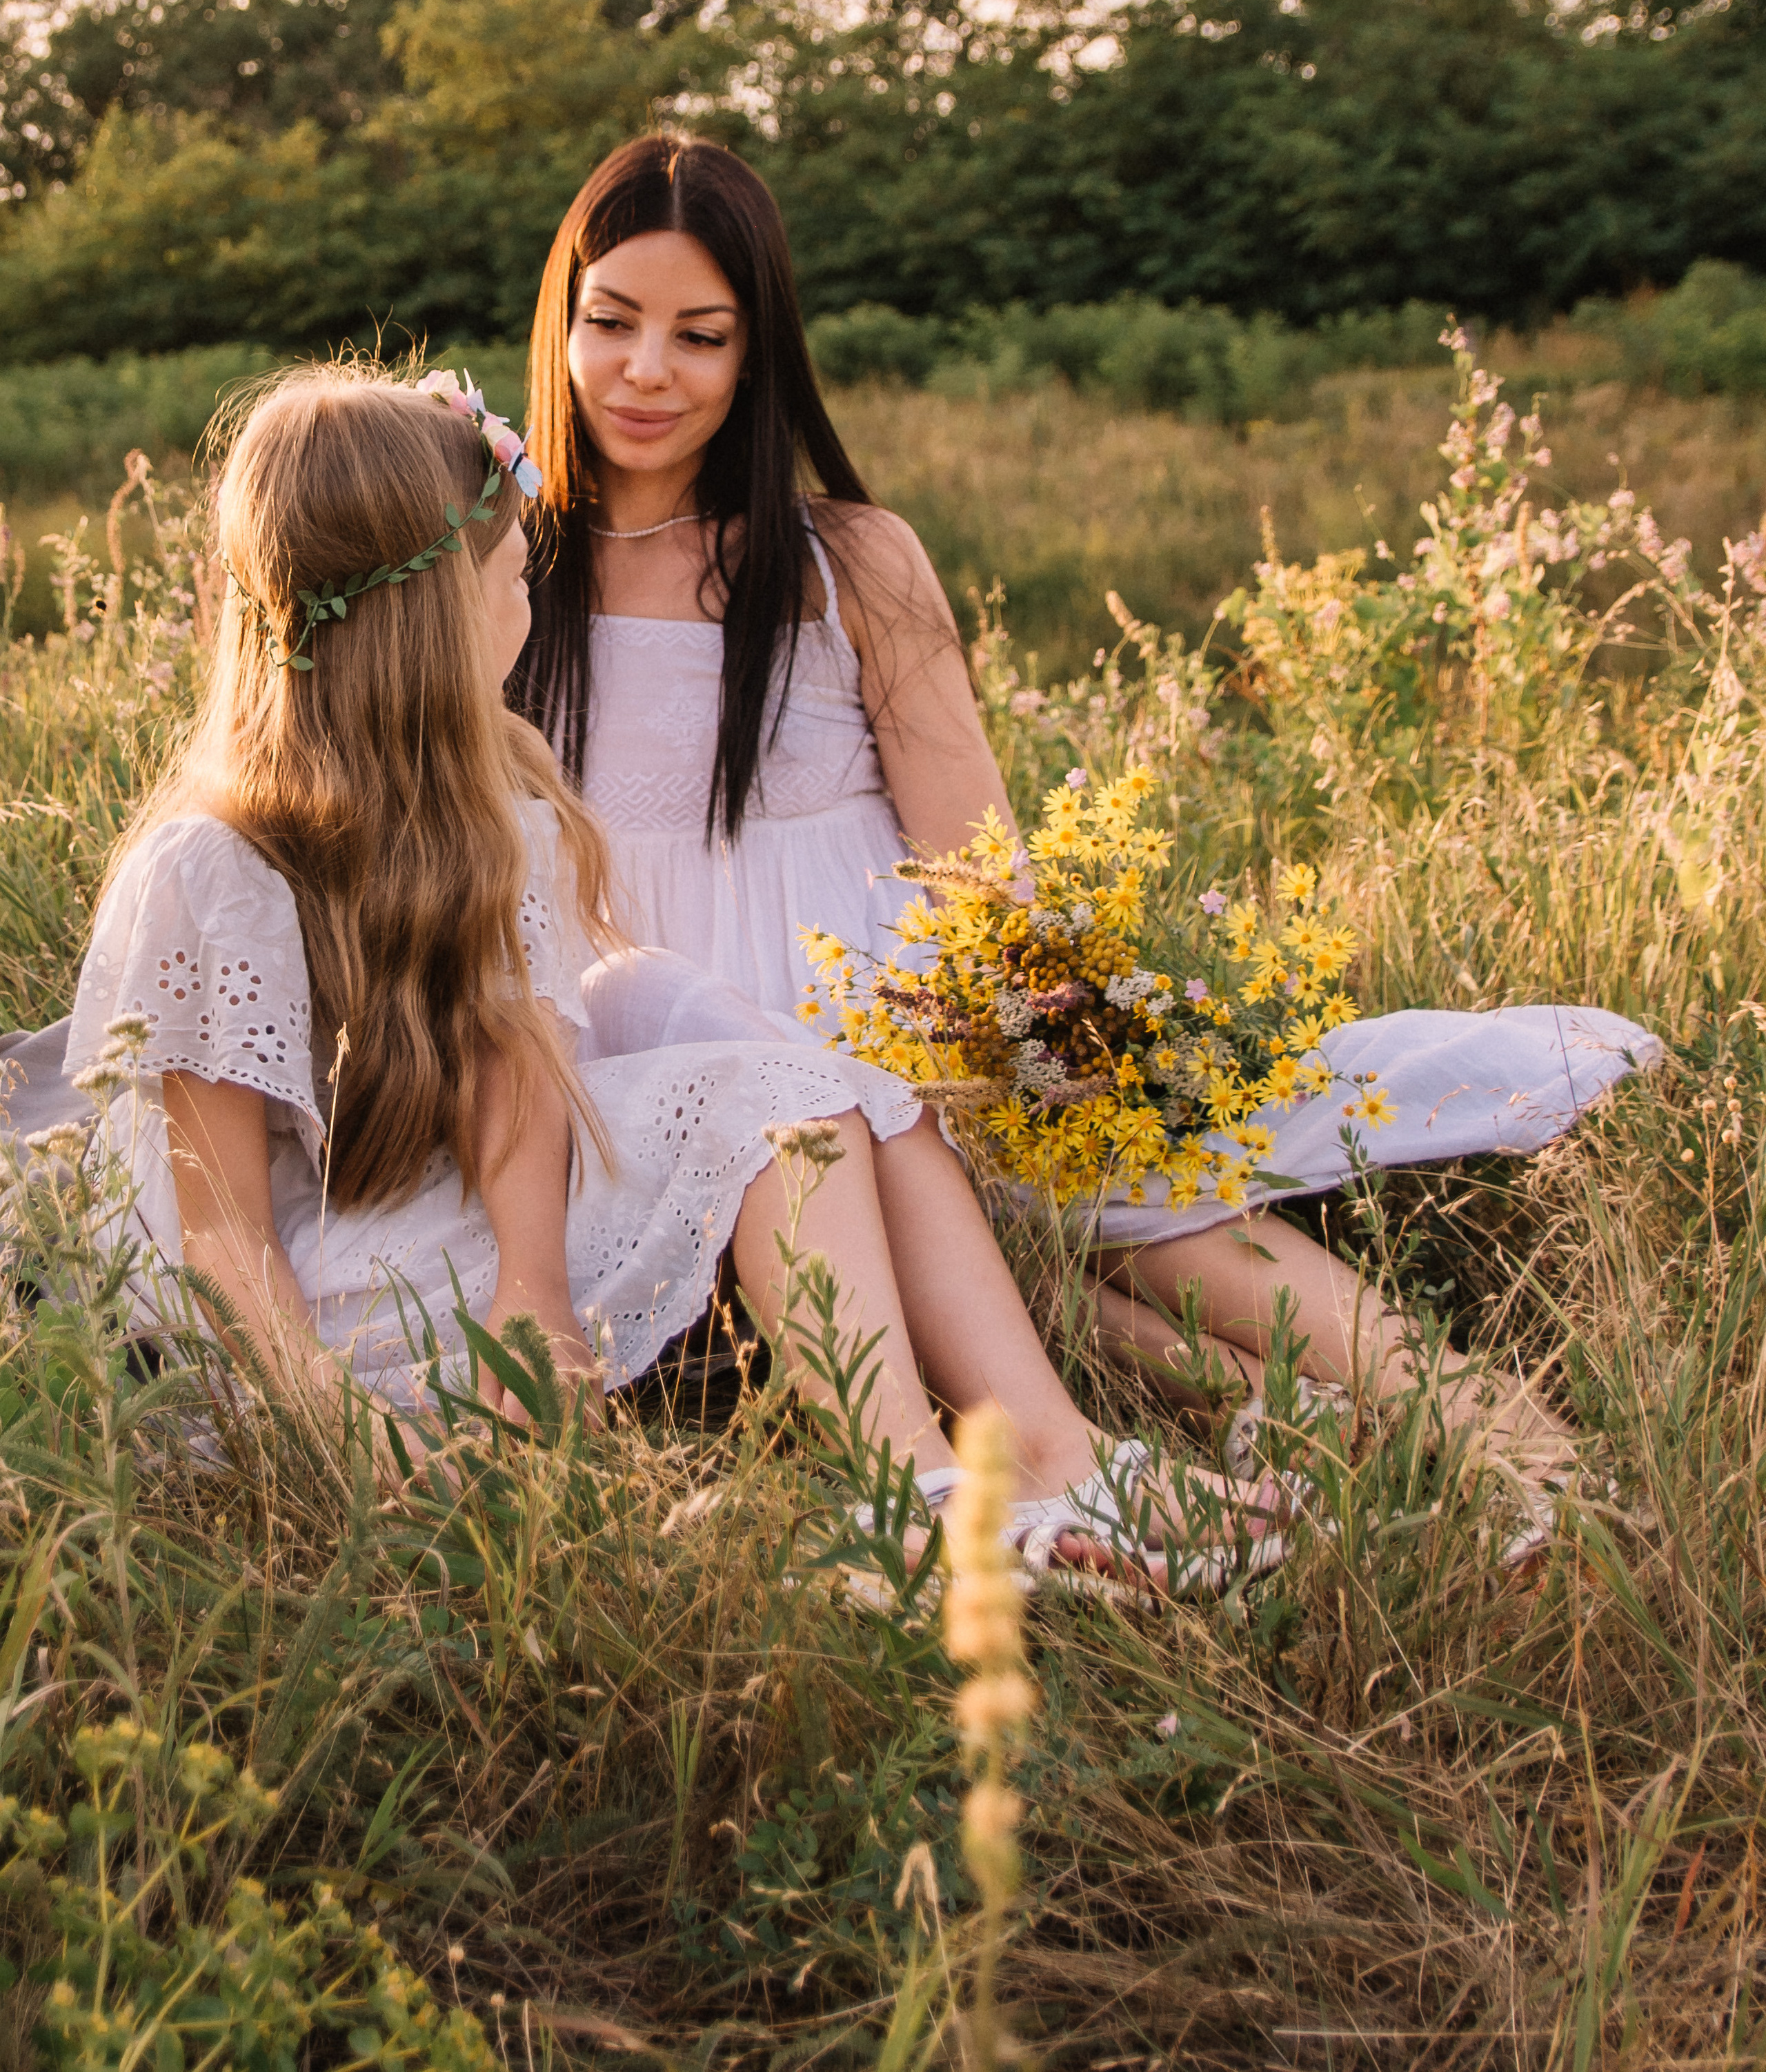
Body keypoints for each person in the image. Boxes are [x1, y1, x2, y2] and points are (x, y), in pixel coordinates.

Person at [512, 134, 1661, 1546]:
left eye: (700, 336)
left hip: (896, 1011)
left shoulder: (844, 561)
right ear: (561, 322)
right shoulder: (505, 568)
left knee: (1130, 1211)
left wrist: (1038, 1055)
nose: (646, 372)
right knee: (1010, 1276)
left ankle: (1506, 1439)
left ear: (758, 355)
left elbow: (974, 859)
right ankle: (1280, 1432)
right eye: (612, 322)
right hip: (675, 1054)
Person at [48, 359, 1284, 1590]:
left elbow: (515, 1066)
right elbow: (222, 1233)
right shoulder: (211, 869)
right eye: (512, 579)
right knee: (759, 1098)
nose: (530, 603)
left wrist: (536, 1294)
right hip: (304, 1295)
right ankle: (950, 1489)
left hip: (448, 1213)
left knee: (784, 1093)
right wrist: (344, 1435)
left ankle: (945, 1476)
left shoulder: (496, 810)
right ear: (437, 621)